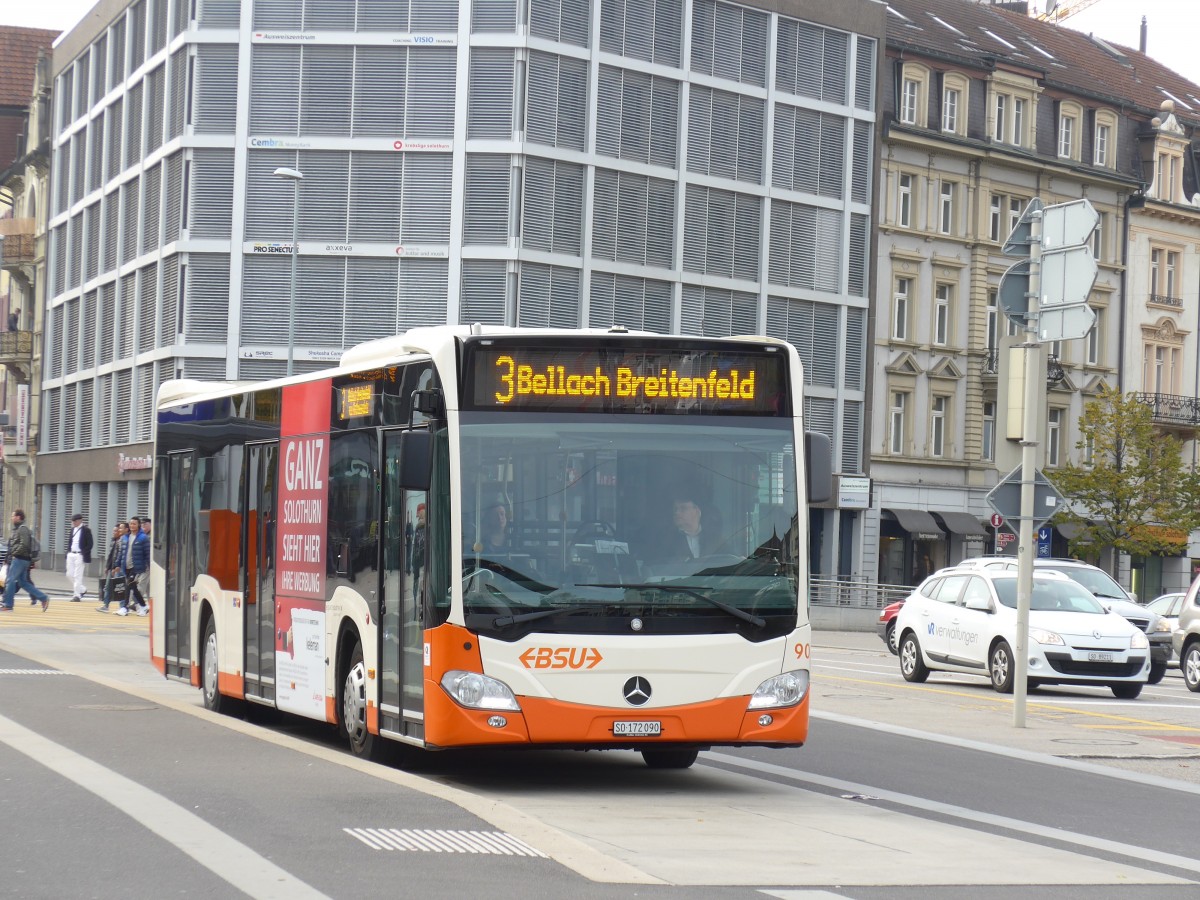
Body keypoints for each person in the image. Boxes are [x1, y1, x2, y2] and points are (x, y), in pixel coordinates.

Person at [1, 509, 50, 612]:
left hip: (19, 559)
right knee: (23, 582)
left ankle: (8, 605)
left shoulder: (22, 529)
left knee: (10, 580)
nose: (12, 518)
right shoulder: (18, 529)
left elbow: (24, 544)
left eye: (13, 516)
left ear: (18, 517)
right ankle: (43, 598)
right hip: (22, 559)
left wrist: (14, 552)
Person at [658, 490, 721, 561]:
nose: (677, 512)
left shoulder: (715, 539)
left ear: (697, 511)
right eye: (675, 509)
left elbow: (730, 562)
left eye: (683, 508)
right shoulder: (666, 540)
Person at [117, 515, 150, 617]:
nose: (132, 525)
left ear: (138, 525)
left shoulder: (143, 537)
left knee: (129, 585)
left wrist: (149, 566)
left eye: (134, 524)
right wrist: (117, 564)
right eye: (131, 523)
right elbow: (121, 552)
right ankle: (143, 605)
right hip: (125, 566)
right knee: (133, 587)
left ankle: (124, 608)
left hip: (136, 567)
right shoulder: (125, 538)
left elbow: (147, 553)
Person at [95, 523, 128, 613]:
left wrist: (116, 567)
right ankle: (106, 605)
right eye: (114, 531)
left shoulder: (123, 541)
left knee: (121, 587)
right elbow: (111, 555)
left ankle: (126, 606)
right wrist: (107, 566)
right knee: (109, 586)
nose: (114, 532)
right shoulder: (114, 541)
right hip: (112, 567)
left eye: (116, 530)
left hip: (118, 568)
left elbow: (120, 556)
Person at [66, 512, 94, 602]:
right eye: (73, 521)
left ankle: (77, 595)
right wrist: (68, 552)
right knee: (69, 574)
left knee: (78, 575)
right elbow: (70, 541)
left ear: (80, 520)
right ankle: (82, 589)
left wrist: (83, 552)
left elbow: (90, 544)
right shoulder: (72, 529)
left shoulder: (86, 530)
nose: (74, 523)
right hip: (71, 554)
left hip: (79, 554)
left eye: (75, 521)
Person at [411, 503, 426, 597]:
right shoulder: (425, 525)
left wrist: (415, 562)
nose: (418, 516)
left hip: (422, 562)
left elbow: (418, 546)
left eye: (419, 513)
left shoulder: (420, 527)